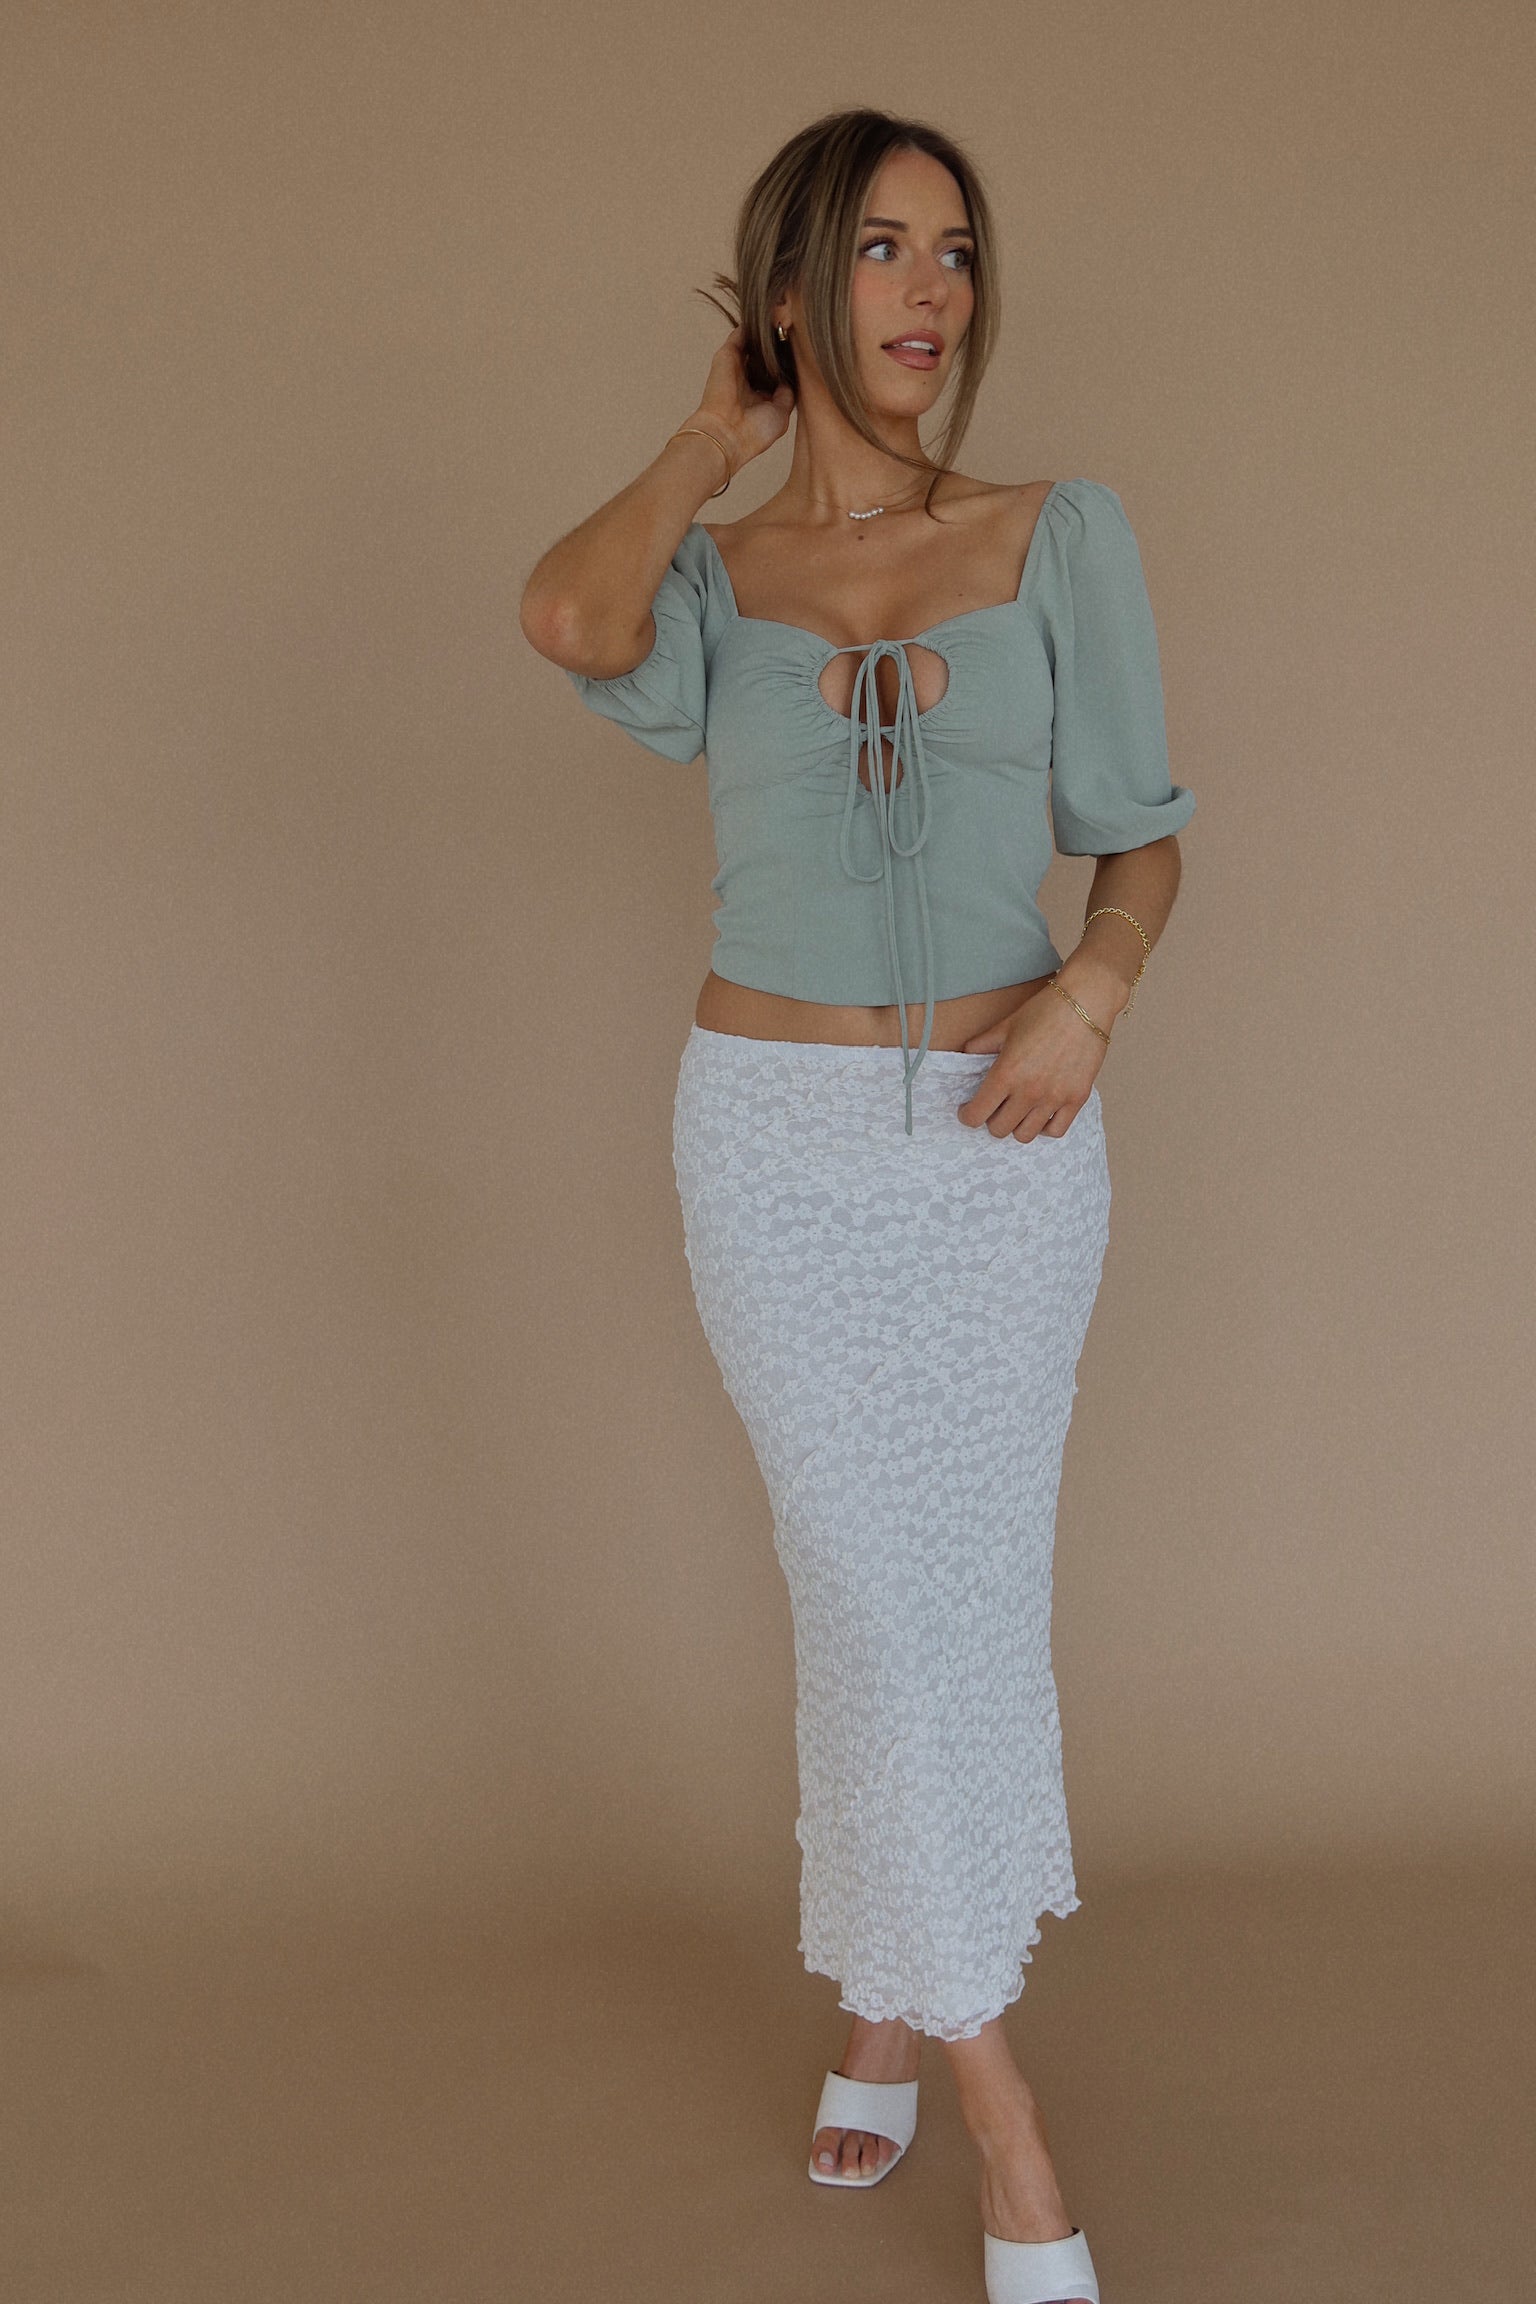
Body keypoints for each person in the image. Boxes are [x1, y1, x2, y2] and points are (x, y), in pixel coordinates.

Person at [520, 104, 1195, 2304]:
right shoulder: (711, 579)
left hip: (1009, 1145)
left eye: (957, 251)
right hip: (777, 1147)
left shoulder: (1055, 532)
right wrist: (710, 439)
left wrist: (1091, 999)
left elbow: (1143, 831)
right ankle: (1007, 2128)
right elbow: (564, 612)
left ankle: (890, 2010)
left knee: (953, 1599)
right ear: (794, 290)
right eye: (884, 250)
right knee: (872, 1594)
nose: (932, 293)